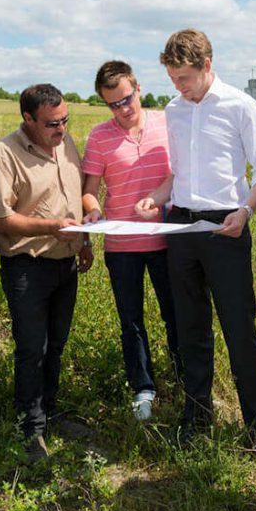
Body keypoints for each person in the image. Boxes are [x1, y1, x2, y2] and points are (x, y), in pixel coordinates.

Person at [136, 29, 256, 444]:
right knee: (190, 327)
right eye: (173, 78)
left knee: (239, 329)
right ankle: (196, 419)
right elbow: (179, 174)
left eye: (185, 78)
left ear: (207, 66)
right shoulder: (174, 110)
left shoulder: (240, 105)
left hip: (225, 228)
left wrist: (246, 211)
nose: (178, 87)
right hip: (181, 226)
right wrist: (155, 198)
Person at [0, 83, 94, 463]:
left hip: (66, 262)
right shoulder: (3, 154)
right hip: (27, 266)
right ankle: (30, 427)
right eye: (51, 123)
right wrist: (50, 228)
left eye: (65, 119)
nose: (60, 129)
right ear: (28, 119)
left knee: (57, 345)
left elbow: (75, 196)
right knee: (33, 348)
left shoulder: (66, 144)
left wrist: (86, 240)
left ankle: (50, 412)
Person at [81, 61, 182, 422]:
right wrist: (92, 212)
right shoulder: (99, 137)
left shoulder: (168, 122)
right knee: (132, 321)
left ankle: (185, 381)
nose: (123, 110)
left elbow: (180, 172)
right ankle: (143, 388)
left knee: (177, 314)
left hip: (168, 241)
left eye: (126, 99)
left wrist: (158, 198)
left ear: (138, 88)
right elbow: (89, 191)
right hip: (122, 246)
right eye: (113, 104)